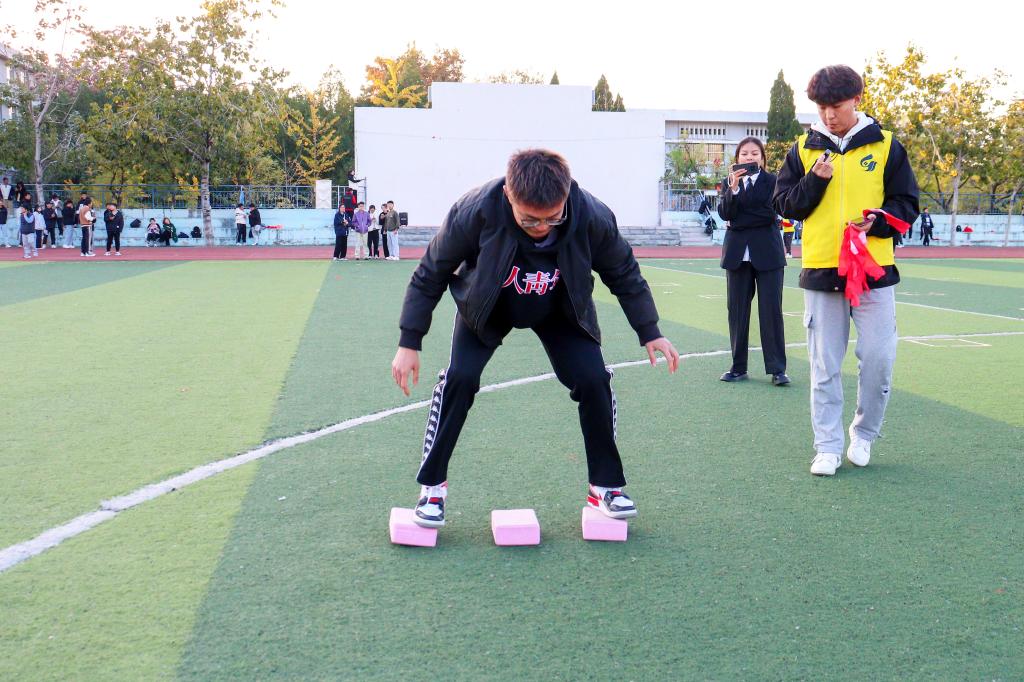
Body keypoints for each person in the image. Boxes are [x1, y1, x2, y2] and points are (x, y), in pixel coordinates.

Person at [392, 149, 680, 528]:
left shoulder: (591, 215)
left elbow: (623, 271)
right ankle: (432, 488)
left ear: (566, 196)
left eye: (553, 217)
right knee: (459, 379)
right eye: (529, 219)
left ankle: (605, 487)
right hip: (487, 308)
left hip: (560, 309)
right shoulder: (474, 210)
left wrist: (649, 330)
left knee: (594, 380)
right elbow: (430, 272)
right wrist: (409, 341)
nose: (542, 227)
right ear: (509, 194)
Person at [773, 64, 919, 477]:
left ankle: (864, 434)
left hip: (873, 269)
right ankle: (827, 445)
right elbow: (784, 206)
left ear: (857, 99)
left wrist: (880, 221)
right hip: (822, 270)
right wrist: (814, 181)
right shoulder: (803, 149)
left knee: (878, 359)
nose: (828, 115)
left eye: (835, 106)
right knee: (824, 364)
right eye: (821, 107)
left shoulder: (886, 146)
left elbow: (907, 203)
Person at [717, 136, 789, 387]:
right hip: (737, 255)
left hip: (768, 253)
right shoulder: (729, 182)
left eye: (755, 153)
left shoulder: (773, 181)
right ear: (737, 158)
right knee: (737, 312)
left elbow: (770, 212)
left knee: (771, 311)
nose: (749, 157)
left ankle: (777, 370)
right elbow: (725, 213)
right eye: (745, 154)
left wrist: (738, 219)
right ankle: (738, 368)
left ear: (762, 158)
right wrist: (734, 190)